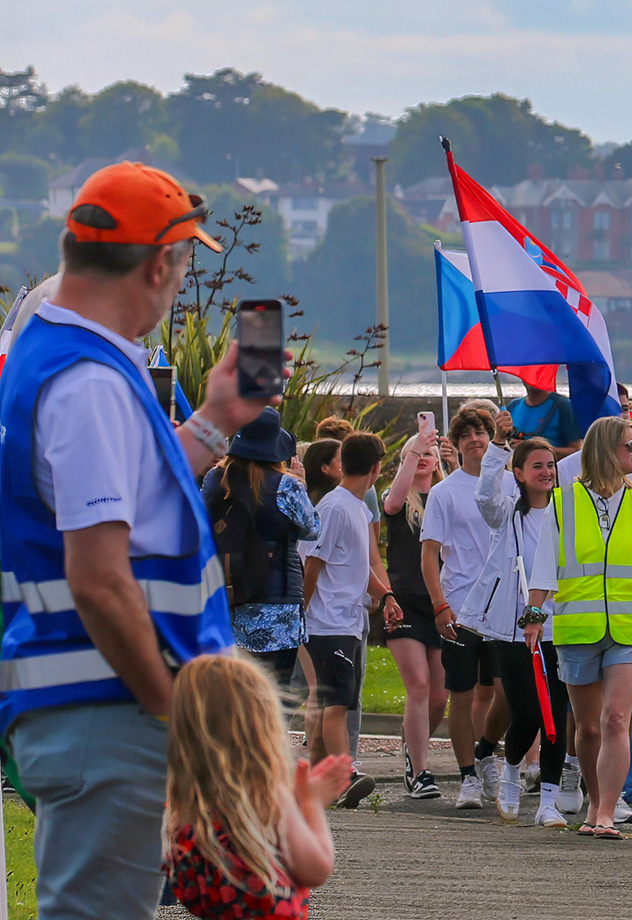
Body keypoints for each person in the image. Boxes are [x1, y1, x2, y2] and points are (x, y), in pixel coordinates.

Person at [0, 161, 278, 918]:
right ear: (161, 263)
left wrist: (216, 420)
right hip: (112, 706)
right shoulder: (88, 381)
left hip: (91, 704)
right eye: (187, 262)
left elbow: (128, 502)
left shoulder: (61, 354)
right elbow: (97, 578)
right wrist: (174, 713)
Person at [550, 416, 632, 837]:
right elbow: (542, 569)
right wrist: (535, 616)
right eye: (631, 444)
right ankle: (594, 805)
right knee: (588, 727)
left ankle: (608, 811)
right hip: (577, 628)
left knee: (615, 718)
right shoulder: (563, 501)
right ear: (607, 450)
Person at [165, 655, 344, 918]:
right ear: (262, 724)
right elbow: (316, 868)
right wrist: (312, 803)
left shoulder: (180, 811)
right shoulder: (267, 797)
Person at [465, 436, 570, 828]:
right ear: (519, 474)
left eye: (550, 465)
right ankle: (509, 769)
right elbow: (484, 495)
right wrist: (496, 447)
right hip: (509, 626)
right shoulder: (507, 513)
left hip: (559, 625)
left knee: (554, 712)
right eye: (537, 466)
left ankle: (549, 802)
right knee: (525, 708)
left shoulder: (567, 512)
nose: (546, 472)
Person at [300, 431, 395, 809]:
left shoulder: (357, 507)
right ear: (376, 469)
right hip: (327, 622)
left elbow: (355, 565)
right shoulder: (336, 507)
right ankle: (344, 774)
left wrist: (384, 595)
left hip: (349, 621)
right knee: (337, 704)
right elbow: (313, 563)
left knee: (332, 703)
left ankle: (320, 780)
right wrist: (302, 613)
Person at [422, 408, 509, 810]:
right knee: (462, 693)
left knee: (508, 693)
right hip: (460, 605)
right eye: (467, 434)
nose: (476, 439)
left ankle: (486, 749)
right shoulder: (444, 492)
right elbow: (430, 554)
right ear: (455, 444)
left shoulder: (510, 483)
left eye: (482, 432)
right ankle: (467, 778)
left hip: (505, 605)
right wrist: (439, 605)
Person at [204, 409, 319, 686]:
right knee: (273, 697)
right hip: (275, 605)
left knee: (229, 693)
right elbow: (313, 529)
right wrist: (300, 481)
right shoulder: (286, 485)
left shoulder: (214, 479)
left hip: (224, 599)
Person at [380, 427, 454, 801]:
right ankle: (420, 770)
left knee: (440, 694)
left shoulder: (446, 495)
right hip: (405, 600)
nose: (424, 456)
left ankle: (414, 746)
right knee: (419, 685)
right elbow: (392, 504)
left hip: (439, 600)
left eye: (429, 452)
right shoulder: (397, 498)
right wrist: (414, 448)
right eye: (415, 453)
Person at [504, 380, 580, 458]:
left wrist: (531, 449)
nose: (532, 376)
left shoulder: (563, 406)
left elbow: (576, 450)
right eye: (528, 372)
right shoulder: (513, 406)